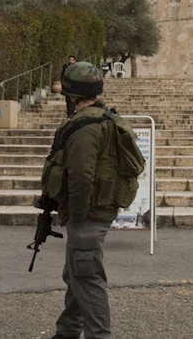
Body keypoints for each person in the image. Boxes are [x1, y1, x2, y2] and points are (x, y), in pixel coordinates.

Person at [47, 62, 128, 339]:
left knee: (87, 278)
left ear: (72, 94)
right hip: (97, 210)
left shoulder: (85, 128)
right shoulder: (102, 118)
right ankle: (67, 331)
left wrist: (76, 216)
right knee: (77, 274)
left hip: (88, 214)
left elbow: (81, 177)